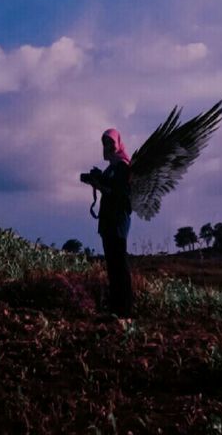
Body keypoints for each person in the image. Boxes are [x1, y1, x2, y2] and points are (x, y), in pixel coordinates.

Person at [82, 128, 133, 318]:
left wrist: (101, 183)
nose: (108, 147)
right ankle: (116, 309)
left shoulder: (122, 166)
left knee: (120, 265)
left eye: (110, 143)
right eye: (105, 143)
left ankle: (125, 310)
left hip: (118, 221)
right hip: (108, 221)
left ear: (118, 143)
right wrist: (98, 182)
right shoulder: (111, 167)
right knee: (112, 266)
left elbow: (119, 193)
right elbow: (109, 189)